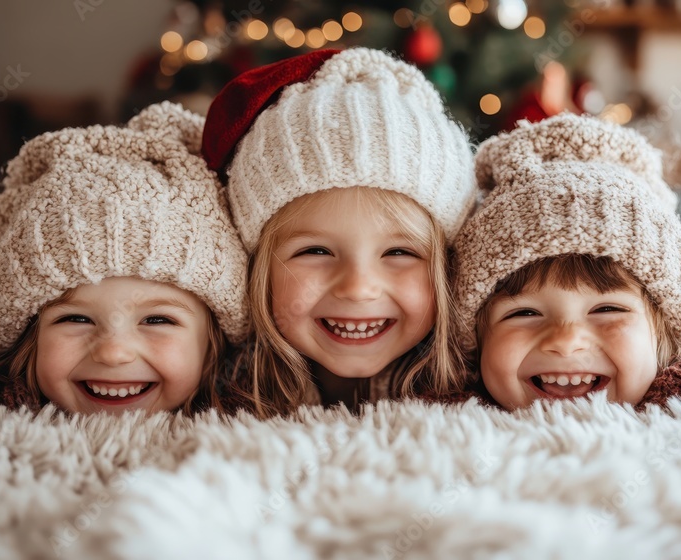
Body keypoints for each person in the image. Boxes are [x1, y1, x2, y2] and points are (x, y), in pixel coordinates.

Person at [0, 102, 249, 417]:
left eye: (158, 319)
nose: (113, 352)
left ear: (213, 344)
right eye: (75, 318)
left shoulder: (249, 411)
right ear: (25, 338)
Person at [451, 113, 681, 414]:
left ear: (664, 340)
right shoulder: (451, 411)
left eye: (607, 308)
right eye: (524, 313)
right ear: (475, 343)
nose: (566, 341)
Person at [201, 48, 477, 417]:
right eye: (315, 251)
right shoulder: (216, 393)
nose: (358, 288)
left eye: (399, 252)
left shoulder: (477, 397)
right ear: (257, 268)